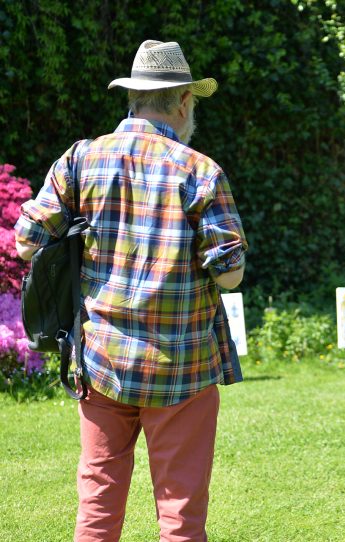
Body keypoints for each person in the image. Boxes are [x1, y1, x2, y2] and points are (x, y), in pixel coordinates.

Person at [15, 40, 248, 542]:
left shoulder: (81, 159)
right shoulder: (200, 171)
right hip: (182, 368)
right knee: (181, 516)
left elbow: (26, 242)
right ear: (183, 102)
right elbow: (230, 273)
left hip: (102, 361)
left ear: (133, 99)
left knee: (97, 506)